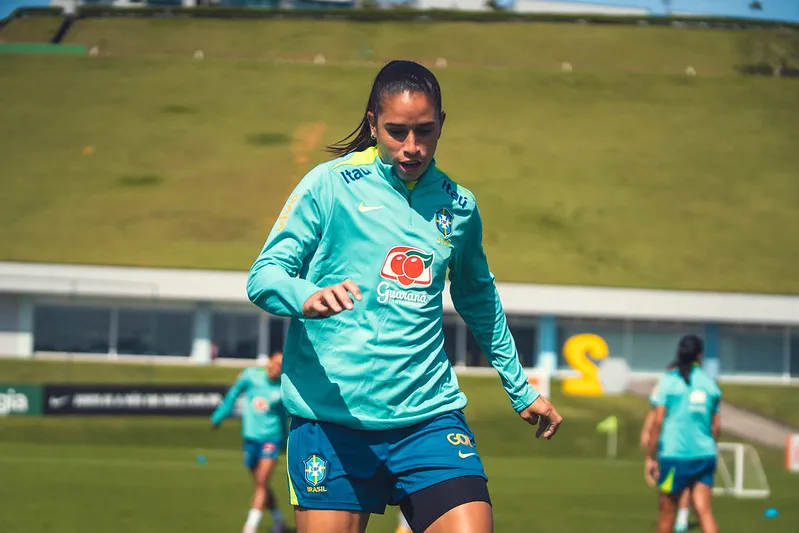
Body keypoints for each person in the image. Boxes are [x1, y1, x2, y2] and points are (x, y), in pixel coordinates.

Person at [246, 59, 563, 533]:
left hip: (428, 418)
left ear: (441, 125)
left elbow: (479, 298)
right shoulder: (329, 185)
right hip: (331, 423)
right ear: (373, 123)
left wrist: (520, 388)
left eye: (425, 131)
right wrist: (305, 296)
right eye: (396, 131)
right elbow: (264, 275)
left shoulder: (459, 206)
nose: (412, 147)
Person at [645, 335, 721, 533]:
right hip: (705, 455)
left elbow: (658, 421)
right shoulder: (709, 382)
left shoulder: (669, 381)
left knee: (667, 513)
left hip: (674, 456)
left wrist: (650, 456)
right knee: (704, 511)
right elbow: (716, 428)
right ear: (700, 356)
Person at [211, 352, 287, 533]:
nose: (277, 368)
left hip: (271, 438)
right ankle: (278, 519)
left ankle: (250, 526)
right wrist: (219, 416)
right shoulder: (251, 376)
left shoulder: (283, 389)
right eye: (276, 364)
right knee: (260, 484)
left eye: (281, 366)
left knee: (262, 480)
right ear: (268, 362)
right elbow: (233, 393)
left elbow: (284, 417)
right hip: (251, 438)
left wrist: (284, 440)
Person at [640, 359, 694, 533]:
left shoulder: (687, 387)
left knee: (680, 486)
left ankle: (681, 517)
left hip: (677, 446)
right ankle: (676, 518)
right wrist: (646, 431)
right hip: (669, 445)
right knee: (670, 486)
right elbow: (654, 414)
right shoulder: (665, 387)